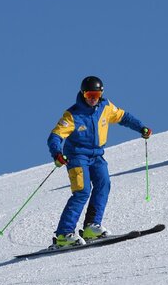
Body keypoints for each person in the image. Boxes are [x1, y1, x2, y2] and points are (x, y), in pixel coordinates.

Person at [47, 75, 151, 247]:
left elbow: (123, 117)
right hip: (77, 157)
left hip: (96, 155)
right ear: (83, 94)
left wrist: (141, 127)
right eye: (89, 95)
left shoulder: (105, 107)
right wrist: (57, 153)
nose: (93, 100)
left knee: (104, 184)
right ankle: (64, 234)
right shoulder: (73, 115)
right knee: (82, 191)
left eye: (96, 95)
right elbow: (55, 136)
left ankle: (91, 226)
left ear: (101, 94)